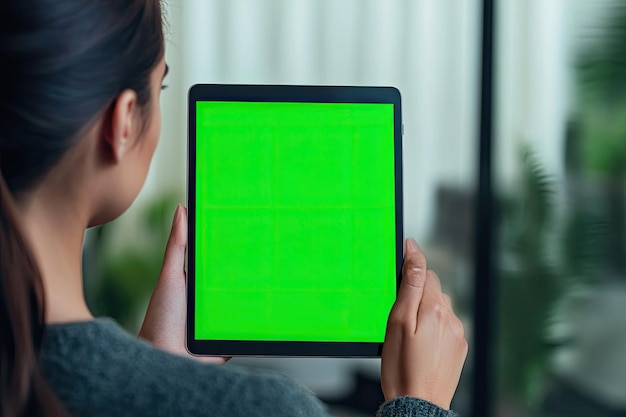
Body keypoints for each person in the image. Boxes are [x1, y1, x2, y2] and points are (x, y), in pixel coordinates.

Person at [0, 1, 468, 416]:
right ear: (123, 122)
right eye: (160, 89)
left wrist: (162, 372)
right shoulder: (263, 409)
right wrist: (419, 405)